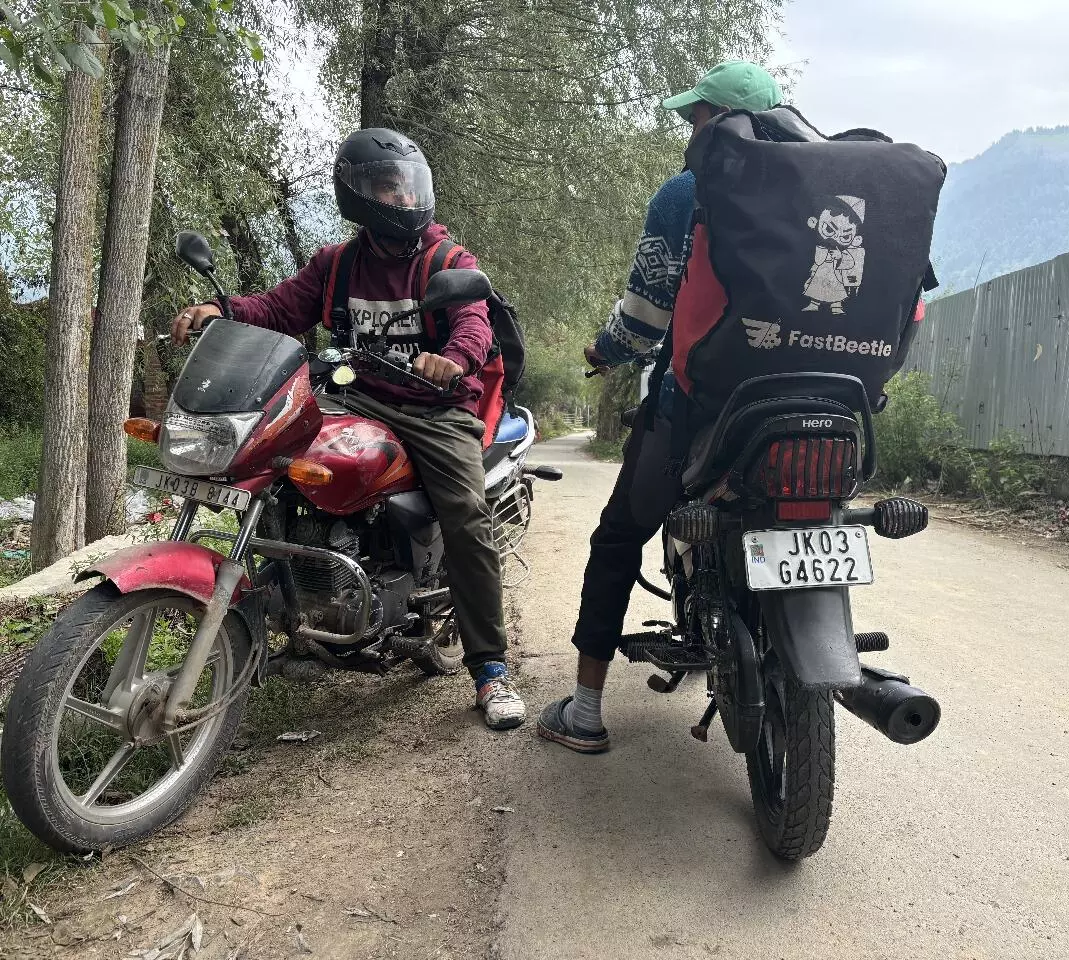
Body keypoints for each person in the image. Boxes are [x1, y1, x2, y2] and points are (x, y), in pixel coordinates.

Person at [170, 127, 526, 731]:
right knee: (276, 467)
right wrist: (222, 310)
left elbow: (474, 324)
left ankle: (491, 667)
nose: (403, 200)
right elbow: (280, 309)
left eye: (409, 188)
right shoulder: (337, 264)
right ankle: (299, 607)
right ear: (358, 195)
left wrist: (454, 360)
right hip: (354, 393)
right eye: (389, 189)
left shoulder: (448, 261)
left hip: (435, 407)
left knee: (465, 514)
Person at [537, 61, 783, 753]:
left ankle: (584, 713)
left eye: (695, 117)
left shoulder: (687, 193)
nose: (689, 130)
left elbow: (646, 318)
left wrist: (603, 350)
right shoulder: (827, 197)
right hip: (818, 408)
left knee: (618, 538)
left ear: (717, 121)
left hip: (700, 408)